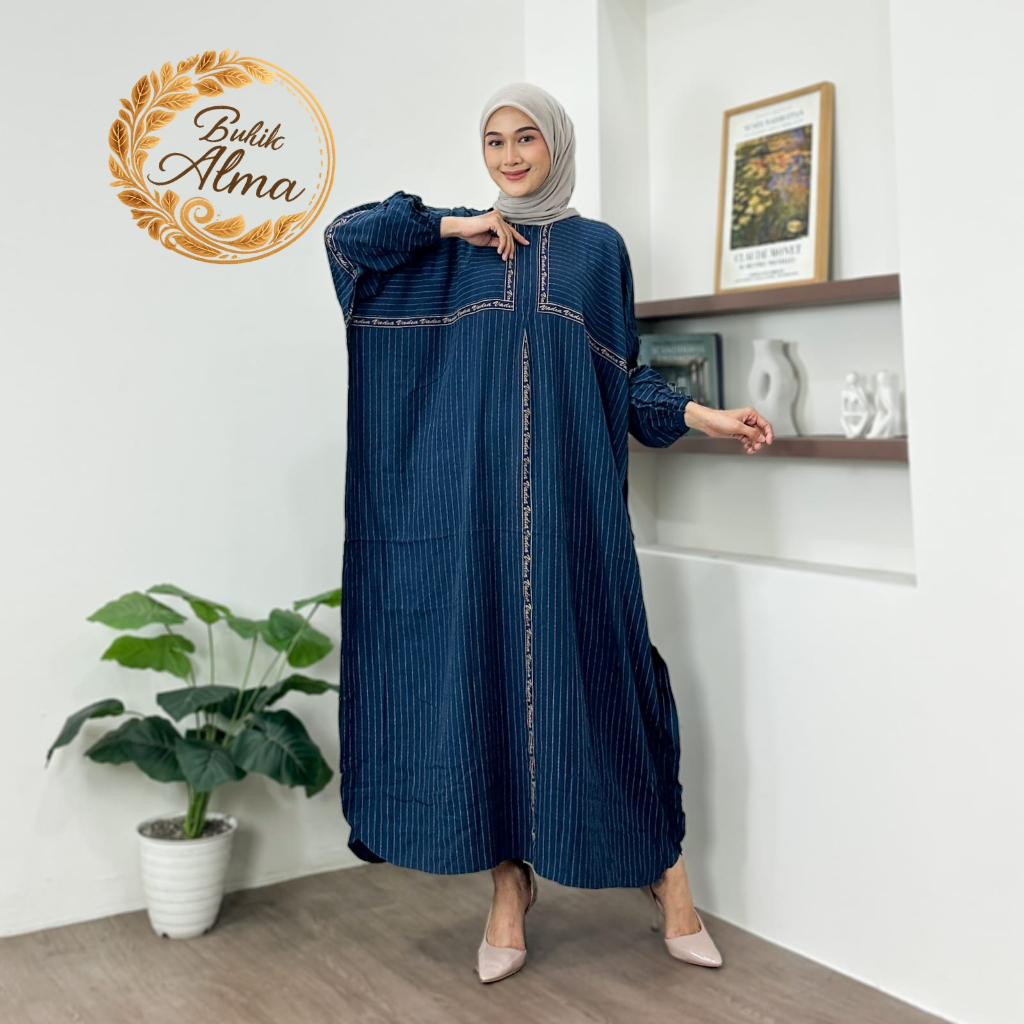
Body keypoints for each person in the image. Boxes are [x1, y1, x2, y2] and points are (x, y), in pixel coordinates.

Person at [323, 81, 774, 984]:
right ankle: (508, 888)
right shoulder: (446, 251)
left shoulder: (596, 252)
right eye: (494, 140)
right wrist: (453, 225)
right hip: (470, 524)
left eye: (526, 137)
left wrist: (703, 415)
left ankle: (666, 875)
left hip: (575, 519)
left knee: (606, 687)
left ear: (556, 144)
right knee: (485, 690)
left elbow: (622, 380)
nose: (511, 156)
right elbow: (345, 239)